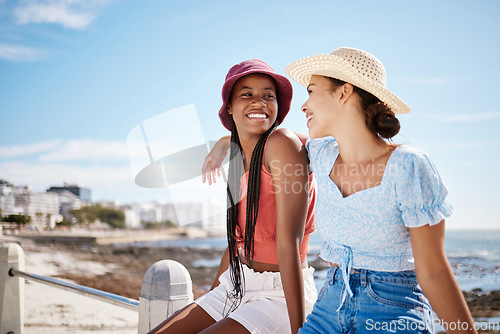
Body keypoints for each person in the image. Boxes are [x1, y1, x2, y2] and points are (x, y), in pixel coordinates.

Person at [282, 47, 477, 333]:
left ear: (343, 92)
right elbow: (273, 140)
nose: (304, 105)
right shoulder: (322, 155)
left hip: (393, 308)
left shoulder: (408, 166)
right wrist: (229, 141)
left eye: (311, 91)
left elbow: (434, 273)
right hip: (329, 304)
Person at [149, 59, 317, 334]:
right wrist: (213, 294)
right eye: (247, 94)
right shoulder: (238, 160)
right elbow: (237, 240)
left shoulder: (283, 144)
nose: (259, 102)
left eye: (268, 95)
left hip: (279, 295)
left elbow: (289, 242)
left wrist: (301, 330)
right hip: (237, 284)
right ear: (229, 106)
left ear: (278, 106)